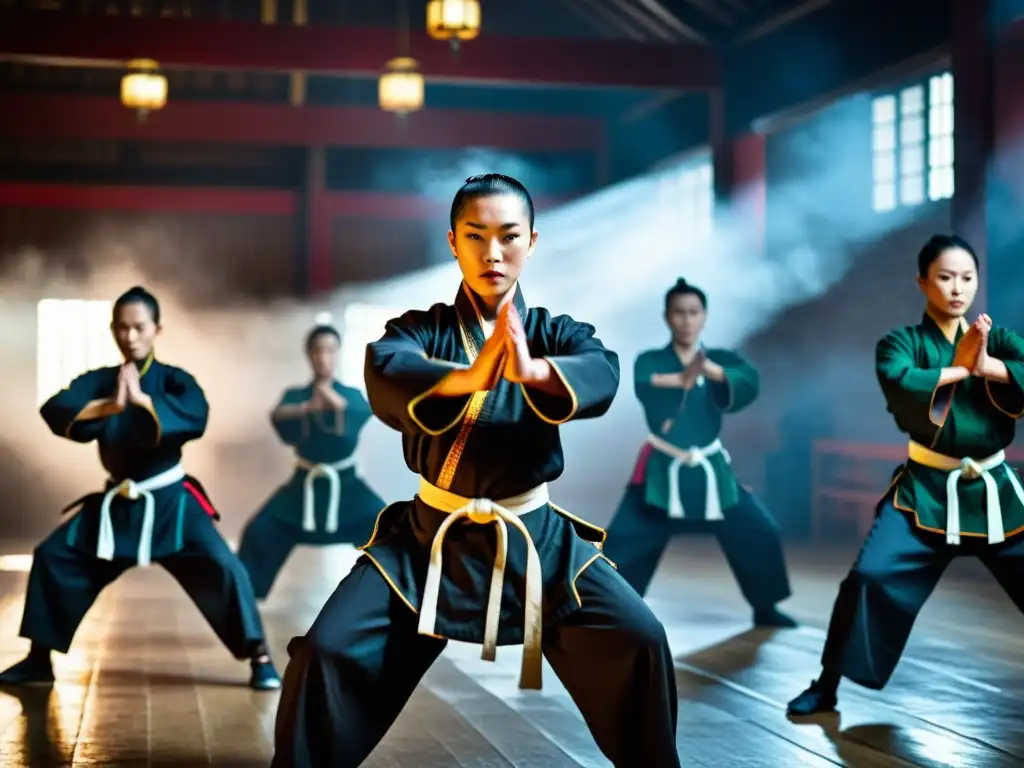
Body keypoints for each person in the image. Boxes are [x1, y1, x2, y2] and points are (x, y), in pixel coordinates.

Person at [272, 174, 681, 768]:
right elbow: (387, 372)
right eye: (476, 236)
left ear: (532, 242)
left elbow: (601, 371)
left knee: (640, 640)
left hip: (535, 541)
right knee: (326, 653)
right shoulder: (416, 331)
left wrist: (533, 372)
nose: (493, 252)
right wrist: (470, 376)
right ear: (453, 242)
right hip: (428, 542)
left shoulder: (555, 334)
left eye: (509, 236)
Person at [0, 286, 281, 690]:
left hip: (172, 503)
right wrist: (111, 406)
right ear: (113, 330)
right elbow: (56, 409)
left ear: (156, 330)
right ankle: (38, 659)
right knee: (53, 555)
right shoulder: (98, 382)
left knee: (224, 567)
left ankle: (260, 657)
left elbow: (195, 417)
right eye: (122, 327)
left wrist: (144, 402)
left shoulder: (175, 380)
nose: (129, 336)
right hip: (117, 505)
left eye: (138, 328)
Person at [788, 234, 1024, 715]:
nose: (957, 288)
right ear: (922, 282)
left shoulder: (995, 338)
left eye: (967, 278)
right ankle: (827, 684)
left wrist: (989, 365)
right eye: (944, 277)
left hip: (996, 493)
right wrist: (959, 372)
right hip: (926, 490)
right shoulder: (900, 342)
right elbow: (899, 384)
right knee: (868, 576)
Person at [602, 278, 796, 628]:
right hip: (662, 469)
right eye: (679, 313)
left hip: (708, 471)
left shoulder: (719, 358)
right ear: (667, 317)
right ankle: (613, 609)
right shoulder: (651, 359)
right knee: (622, 542)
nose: (687, 320)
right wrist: (683, 379)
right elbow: (648, 381)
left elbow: (748, 379)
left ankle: (766, 606)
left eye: (694, 312)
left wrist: (710, 371)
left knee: (759, 530)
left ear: (704, 316)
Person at [237, 321, 385, 600]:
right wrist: (307, 408)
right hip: (303, 488)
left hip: (348, 487)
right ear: (309, 355)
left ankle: (393, 600)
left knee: (391, 532)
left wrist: (337, 405)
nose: (323, 357)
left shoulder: (351, 395)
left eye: (330, 350)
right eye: (317, 351)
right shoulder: (296, 396)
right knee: (259, 532)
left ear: (338, 353)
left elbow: (360, 413)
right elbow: (279, 414)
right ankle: (244, 603)